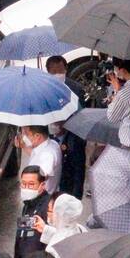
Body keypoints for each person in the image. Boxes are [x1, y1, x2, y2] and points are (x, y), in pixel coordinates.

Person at [46, 56, 87, 197]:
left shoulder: (76, 89)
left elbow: (83, 116)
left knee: (75, 172)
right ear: (48, 72)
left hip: (73, 139)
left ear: (66, 69)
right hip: (52, 138)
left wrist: (67, 125)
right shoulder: (43, 89)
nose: (58, 74)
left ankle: (75, 200)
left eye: (60, 70)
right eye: (54, 71)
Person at [13, 166, 52, 258]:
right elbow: (23, 232)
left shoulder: (48, 207)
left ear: (42, 185)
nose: (26, 188)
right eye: (23, 184)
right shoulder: (28, 203)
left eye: (31, 185)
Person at [18, 125, 62, 195]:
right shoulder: (52, 144)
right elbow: (36, 155)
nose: (24, 137)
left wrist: (25, 183)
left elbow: (44, 174)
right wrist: (23, 146)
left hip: (41, 199)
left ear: (37, 136)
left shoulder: (48, 155)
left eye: (26, 134)